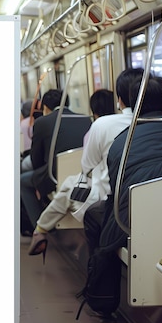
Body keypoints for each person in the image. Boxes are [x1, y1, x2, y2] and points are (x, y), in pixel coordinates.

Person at [27, 89, 115, 258]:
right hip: (111, 184)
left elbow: (87, 165)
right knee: (68, 186)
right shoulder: (86, 120)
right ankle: (41, 229)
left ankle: (38, 228)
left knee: (62, 187)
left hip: (97, 187)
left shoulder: (96, 128)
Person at [96, 75, 162, 255]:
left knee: (97, 218)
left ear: (131, 102)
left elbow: (116, 191)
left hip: (135, 220)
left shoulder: (122, 141)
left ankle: (104, 278)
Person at [82, 67, 145, 256]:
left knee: (93, 216)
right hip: (153, 200)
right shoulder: (161, 123)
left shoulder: (102, 124)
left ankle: (99, 273)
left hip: (116, 204)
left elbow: (87, 166)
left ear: (120, 99)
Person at [20, 88, 92, 236]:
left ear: (45, 107)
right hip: (84, 173)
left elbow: (36, 160)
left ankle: (39, 227)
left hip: (55, 175)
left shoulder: (41, 122)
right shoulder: (85, 119)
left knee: (23, 181)